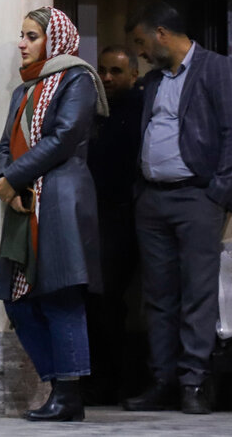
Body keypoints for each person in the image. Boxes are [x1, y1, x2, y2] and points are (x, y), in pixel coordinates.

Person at [123, 1, 232, 415]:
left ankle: (193, 383)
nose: (140, 52)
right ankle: (162, 380)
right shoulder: (155, 80)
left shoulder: (218, 69)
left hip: (197, 197)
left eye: (143, 42)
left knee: (197, 294)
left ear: (162, 34)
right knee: (158, 296)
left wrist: (216, 192)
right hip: (152, 199)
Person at [0, 7, 108, 422]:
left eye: (31, 36)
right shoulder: (23, 90)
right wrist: (5, 182)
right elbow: (4, 144)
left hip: (60, 198)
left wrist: (16, 178)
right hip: (24, 202)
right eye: (21, 35)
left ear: (54, 40)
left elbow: (63, 138)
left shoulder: (78, 79)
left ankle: (69, 394)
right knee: (18, 302)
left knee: (61, 297)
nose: (21, 44)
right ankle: (57, 382)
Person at [83, 46, 143, 405]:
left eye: (116, 72)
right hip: (94, 215)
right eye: (103, 71)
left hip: (122, 216)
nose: (107, 78)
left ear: (133, 75)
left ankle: (112, 380)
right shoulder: (95, 112)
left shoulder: (139, 110)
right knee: (92, 299)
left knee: (107, 300)